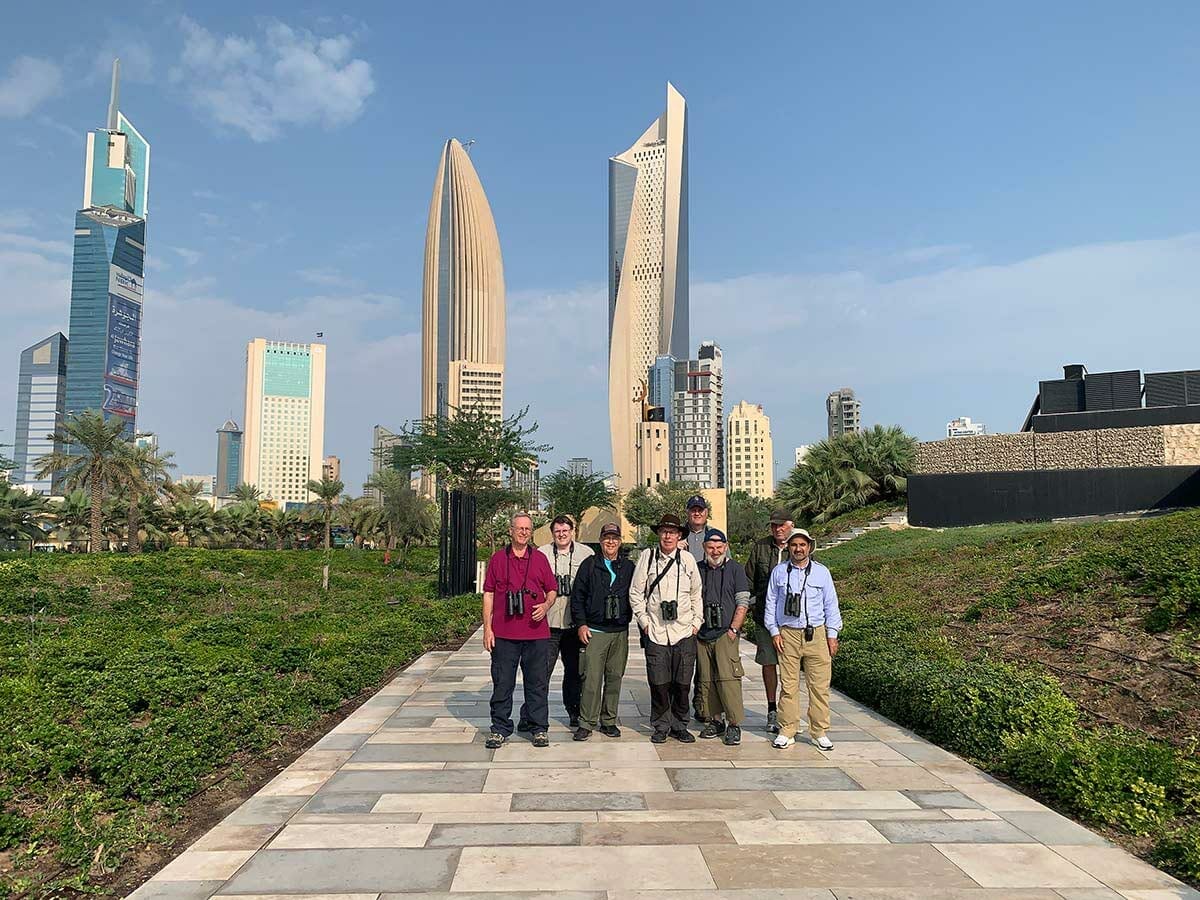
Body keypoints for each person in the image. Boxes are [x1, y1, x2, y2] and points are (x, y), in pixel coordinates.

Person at [481, 512, 558, 750]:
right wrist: (487, 629)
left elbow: (552, 590)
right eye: (520, 528)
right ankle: (500, 728)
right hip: (504, 634)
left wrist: (545, 606)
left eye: (528, 529)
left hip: (536, 634)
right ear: (510, 530)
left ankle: (539, 728)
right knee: (502, 683)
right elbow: (489, 594)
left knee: (537, 684)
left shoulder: (540, 559)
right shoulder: (497, 559)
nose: (524, 532)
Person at [764, 528, 843, 751]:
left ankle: (819, 731)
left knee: (819, 686)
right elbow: (771, 604)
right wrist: (774, 631)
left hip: (816, 633)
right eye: (794, 545)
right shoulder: (779, 572)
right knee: (788, 685)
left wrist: (832, 635)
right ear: (788, 547)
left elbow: (831, 605)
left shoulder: (821, 572)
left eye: (802, 545)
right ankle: (787, 729)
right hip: (787, 633)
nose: (798, 549)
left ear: (809, 547)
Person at [630, 513, 703, 743]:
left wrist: (696, 623)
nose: (668, 536)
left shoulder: (688, 560)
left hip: (683, 631)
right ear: (658, 534)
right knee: (659, 683)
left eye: (672, 532)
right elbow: (635, 592)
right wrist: (644, 622)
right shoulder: (648, 557)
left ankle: (680, 724)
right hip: (657, 631)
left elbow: (696, 594)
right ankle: (661, 725)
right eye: (664, 531)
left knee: (682, 683)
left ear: (680, 535)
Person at [518, 515, 593, 731]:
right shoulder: (540, 553)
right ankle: (529, 714)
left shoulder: (585, 554)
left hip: (573, 624)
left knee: (574, 673)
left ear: (573, 531)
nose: (562, 534)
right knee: (539, 673)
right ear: (552, 533)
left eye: (565, 530)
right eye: (557, 531)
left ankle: (574, 712)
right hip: (547, 624)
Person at [569, 521, 634, 740]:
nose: (610, 541)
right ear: (600, 541)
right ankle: (587, 721)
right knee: (591, 679)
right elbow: (577, 597)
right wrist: (581, 624)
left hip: (619, 631)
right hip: (595, 631)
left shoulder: (628, 567)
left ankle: (609, 720)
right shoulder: (589, 565)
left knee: (615, 677)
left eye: (615, 538)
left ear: (620, 541)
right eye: (607, 537)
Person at [695, 528, 751, 745]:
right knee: (706, 679)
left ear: (726, 547)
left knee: (728, 679)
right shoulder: (698, 569)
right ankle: (714, 720)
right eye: (711, 547)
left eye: (719, 547)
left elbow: (743, 601)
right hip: (702, 633)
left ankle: (734, 724)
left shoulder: (736, 569)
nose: (715, 551)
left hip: (725, 633)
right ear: (704, 548)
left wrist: (734, 629)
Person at [744, 508, 794, 733]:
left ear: (791, 525)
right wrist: (750, 605)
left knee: (791, 668)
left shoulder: (801, 546)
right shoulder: (761, 547)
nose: (777, 529)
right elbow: (748, 580)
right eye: (774, 525)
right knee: (768, 663)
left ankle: (789, 712)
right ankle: (772, 709)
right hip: (765, 618)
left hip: (793, 621)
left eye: (781, 525)